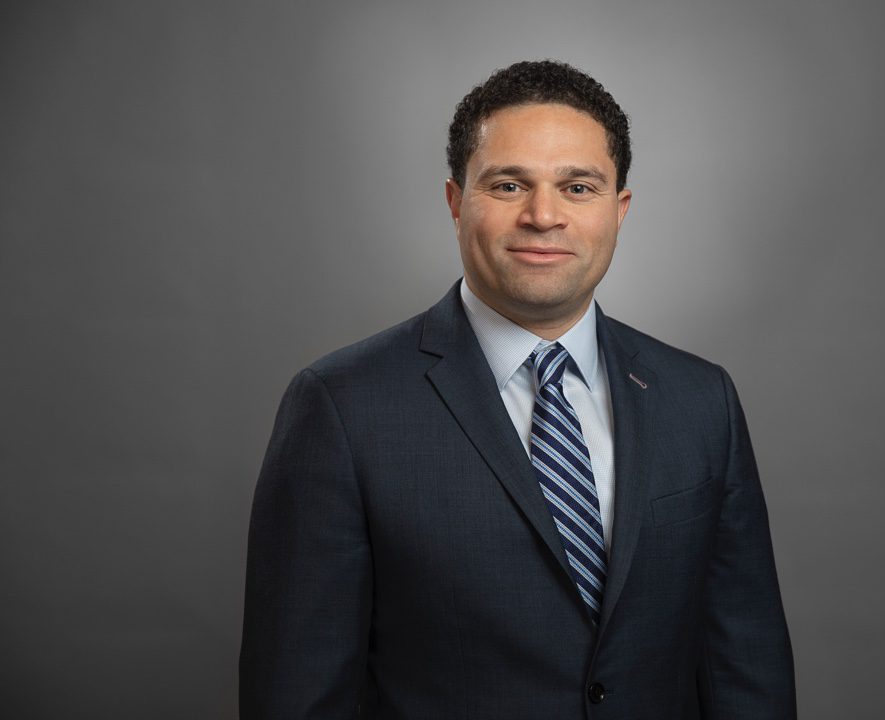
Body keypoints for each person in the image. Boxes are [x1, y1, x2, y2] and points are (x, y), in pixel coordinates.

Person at [240, 59, 795, 719]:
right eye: (508, 184)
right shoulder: (341, 408)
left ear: (619, 210)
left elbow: (746, 672)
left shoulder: (701, 401)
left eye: (578, 187)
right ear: (455, 202)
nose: (543, 215)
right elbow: (298, 697)